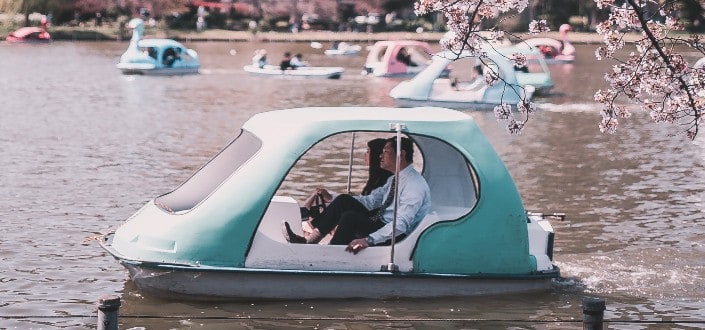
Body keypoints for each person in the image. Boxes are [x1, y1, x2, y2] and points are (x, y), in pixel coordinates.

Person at [283, 137, 431, 255]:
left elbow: (401, 225)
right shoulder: (395, 179)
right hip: (381, 223)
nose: (380, 155)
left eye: (385, 151)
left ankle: (330, 255)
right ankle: (309, 241)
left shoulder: (414, 185)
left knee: (350, 217)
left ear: (401, 154)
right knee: (343, 200)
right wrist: (332, 197)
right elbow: (370, 201)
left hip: (395, 234)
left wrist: (369, 240)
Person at [298, 138, 391, 220]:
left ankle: (307, 223)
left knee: (335, 202)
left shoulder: (385, 180)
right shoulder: (376, 179)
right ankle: (305, 218)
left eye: (368, 151)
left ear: (375, 154)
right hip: (365, 211)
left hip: (368, 217)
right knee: (320, 199)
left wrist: (333, 197)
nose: (365, 155)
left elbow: (370, 203)